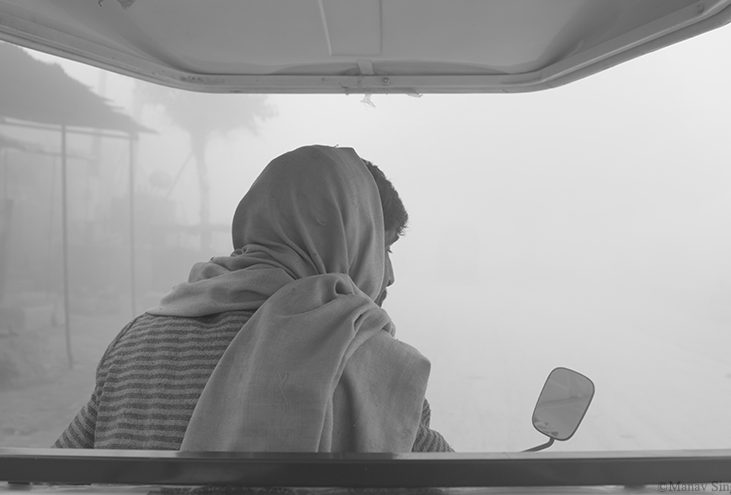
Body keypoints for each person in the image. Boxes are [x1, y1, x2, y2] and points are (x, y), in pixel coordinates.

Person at [54, 145, 452, 452]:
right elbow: (459, 480)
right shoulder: (368, 359)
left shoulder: (138, 336)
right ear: (351, 238)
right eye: (384, 248)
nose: (391, 275)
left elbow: (59, 466)